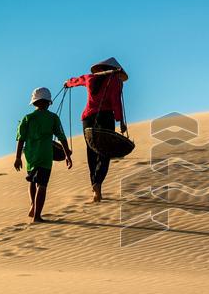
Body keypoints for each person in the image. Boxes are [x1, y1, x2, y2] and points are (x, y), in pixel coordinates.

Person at [64, 57, 128, 202]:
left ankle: (94, 184)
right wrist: (121, 121)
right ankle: (98, 183)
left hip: (87, 118)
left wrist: (67, 83)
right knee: (105, 151)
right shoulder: (114, 81)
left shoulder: (89, 78)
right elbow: (116, 101)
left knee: (91, 152)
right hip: (105, 117)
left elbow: (76, 80)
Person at [15, 87, 72, 222]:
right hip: (45, 155)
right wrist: (67, 155)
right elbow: (61, 137)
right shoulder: (53, 118)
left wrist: (17, 157)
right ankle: (37, 216)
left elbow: (20, 139)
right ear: (48, 102)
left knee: (32, 180)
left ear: (34, 103)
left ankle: (33, 205)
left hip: (30, 155)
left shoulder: (27, 118)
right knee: (42, 184)